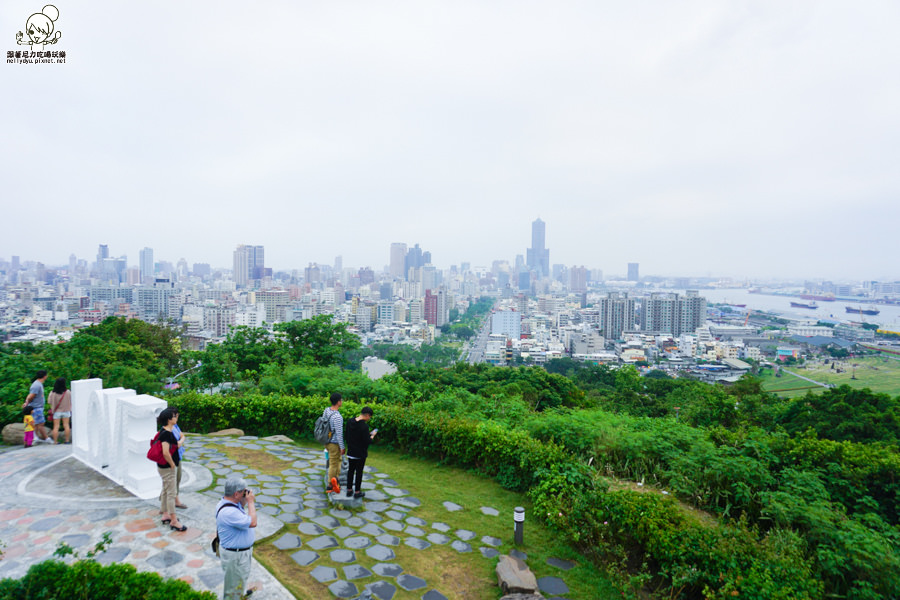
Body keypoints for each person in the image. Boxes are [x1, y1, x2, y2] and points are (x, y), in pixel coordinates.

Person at [216, 477, 257, 600]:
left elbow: (242, 511)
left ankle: (240, 594)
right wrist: (250, 502)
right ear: (236, 494)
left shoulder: (228, 503)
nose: (246, 493)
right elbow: (253, 522)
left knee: (239, 580)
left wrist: (244, 499)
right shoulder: (229, 512)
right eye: (243, 492)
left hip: (239, 554)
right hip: (236, 556)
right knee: (232, 588)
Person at [156, 408, 187, 531]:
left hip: (164, 467)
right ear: (169, 419)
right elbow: (165, 452)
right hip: (168, 468)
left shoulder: (165, 431)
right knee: (171, 493)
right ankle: (174, 520)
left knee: (165, 490)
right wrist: (172, 464)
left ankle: (165, 514)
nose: (176, 417)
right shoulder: (166, 434)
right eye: (174, 416)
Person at [345, 406, 377, 499]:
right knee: (359, 472)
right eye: (369, 417)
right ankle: (357, 492)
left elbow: (347, 435)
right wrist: (372, 436)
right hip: (360, 453)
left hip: (351, 451)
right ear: (367, 415)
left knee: (350, 471)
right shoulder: (364, 426)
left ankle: (349, 490)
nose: (369, 419)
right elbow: (367, 441)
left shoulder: (350, 421)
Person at [322, 392, 345, 493]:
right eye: (341, 400)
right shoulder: (338, 417)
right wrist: (342, 447)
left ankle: (336, 480)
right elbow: (339, 434)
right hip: (334, 443)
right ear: (338, 402)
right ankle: (330, 485)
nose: (342, 401)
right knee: (333, 463)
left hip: (326, 440)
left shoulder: (327, 411)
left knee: (337, 461)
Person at [22, 370, 51, 443]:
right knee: (40, 423)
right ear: (44, 376)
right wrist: (27, 402)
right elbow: (31, 395)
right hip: (36, 407)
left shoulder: (38, 384)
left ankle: (35, 437)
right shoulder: (37, 385)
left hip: (38, 407)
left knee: (37, 424)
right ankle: (46, 438)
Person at [172, 409, 188, 509]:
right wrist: (180, 441)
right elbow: (176, 444)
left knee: (178, 478)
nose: (177, 418)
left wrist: (180, 441)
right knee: (172, 481)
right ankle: (174, 502)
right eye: (176, 416)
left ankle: (166, 505)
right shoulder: (167, 431)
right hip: (173, 459)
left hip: (178, 456)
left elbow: (182, 436)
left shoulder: (175, 426)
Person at [48, 377, 72, 444]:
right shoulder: (68, 392)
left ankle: (55, 441)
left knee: (56, 426)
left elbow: (49, 402)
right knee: (66, 425)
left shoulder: (52, 393)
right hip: (66, 410)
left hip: (56, 412)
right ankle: (67, 440)